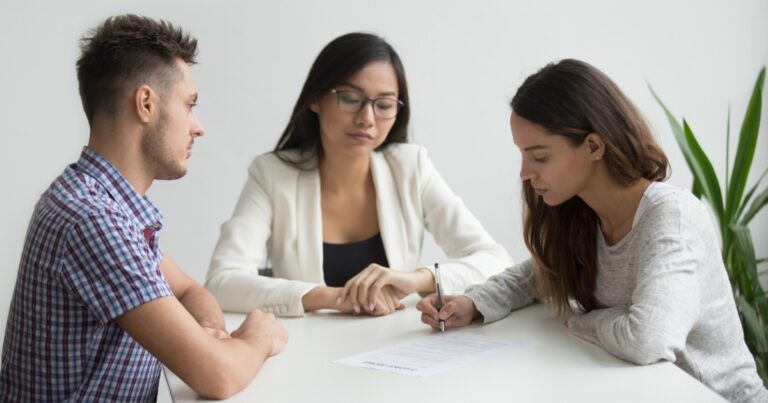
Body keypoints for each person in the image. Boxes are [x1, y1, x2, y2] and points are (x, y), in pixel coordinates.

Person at [416, 59, 768, 402]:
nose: (525, 172)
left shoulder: (672, 218)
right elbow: (538, 275)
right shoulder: (582, 214)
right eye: (522, 154)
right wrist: (472, 303)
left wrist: (583, 320)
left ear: (593, 146)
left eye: (539, 156)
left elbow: (648, 340)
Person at [0, 15, 287, 401]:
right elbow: (218, 377)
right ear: (146, 103)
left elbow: (190, 291)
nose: (198, 127)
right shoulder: (93, 219)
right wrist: (258, 337)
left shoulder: (103, 204)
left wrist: (208, 334)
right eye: (189, 105)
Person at [206, 32, 512, 317]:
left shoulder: (410, 167)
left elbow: (496, 260)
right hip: (304, 353)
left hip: (391, 351)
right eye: (351, 99)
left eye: (384, 104)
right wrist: (336, 297)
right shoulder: (272, 174)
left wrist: (417, 279)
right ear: (315, 99)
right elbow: (222, 282)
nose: (367, 119)